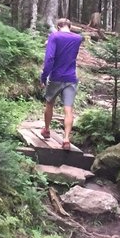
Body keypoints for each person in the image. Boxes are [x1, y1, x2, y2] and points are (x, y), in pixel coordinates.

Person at [40, 18, 83, 149]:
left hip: (56, 77)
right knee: (68, 109)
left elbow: (50, 58)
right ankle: (66, 139)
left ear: (58, 26)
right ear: (70, 26)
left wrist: (44, 76)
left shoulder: (55, 36)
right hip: (71, 77)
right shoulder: (78, 38)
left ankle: (46, 130)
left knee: (49, 103)